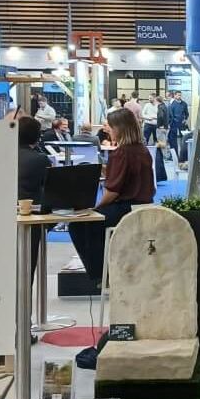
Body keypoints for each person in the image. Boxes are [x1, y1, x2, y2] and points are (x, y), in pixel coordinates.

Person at [68, 108, 155, 287]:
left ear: (119, 128)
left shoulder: (121, 153)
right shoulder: (143, 150)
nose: (106, 129)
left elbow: (112, 192)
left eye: (109, 126)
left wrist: (95, 208)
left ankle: (100, 275)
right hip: (143, 207)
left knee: (79, 224)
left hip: (124, 209)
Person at [16, 117, 52, 282]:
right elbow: (51, 188)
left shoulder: (0, 155)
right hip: (32, 217)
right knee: (27, 265)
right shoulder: (40, 159)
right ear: (37, 137)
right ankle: (25, 302)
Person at [168, 91, 189, 164]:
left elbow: (187, 114)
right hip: (174, 124)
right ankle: (174, 155)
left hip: (182, 124)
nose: (179, 96)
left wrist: (185, 120)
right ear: (175, 96)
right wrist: (170, 124)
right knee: (173, 140)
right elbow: (170, 115)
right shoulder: (172, 104)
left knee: (184, 139)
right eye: (178, 95)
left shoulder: (184, 104)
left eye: (180, 95)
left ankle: (183, 156)